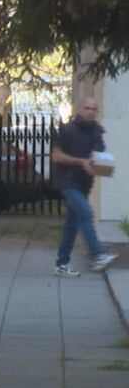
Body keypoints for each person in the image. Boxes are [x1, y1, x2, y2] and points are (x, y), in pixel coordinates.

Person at [52, 97, 119, 277]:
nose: (90, 111)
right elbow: (57, 156)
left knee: (72, 225)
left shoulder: (97, 131)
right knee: (86, 212)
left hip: (84, 183)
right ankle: (96, 255)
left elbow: (98, 156)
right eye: (87, 108)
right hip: (67, 181)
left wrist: (98, 165)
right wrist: (81, 162)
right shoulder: (67, 130)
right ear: (79, 109)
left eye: (93, 109)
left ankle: (62, 264)